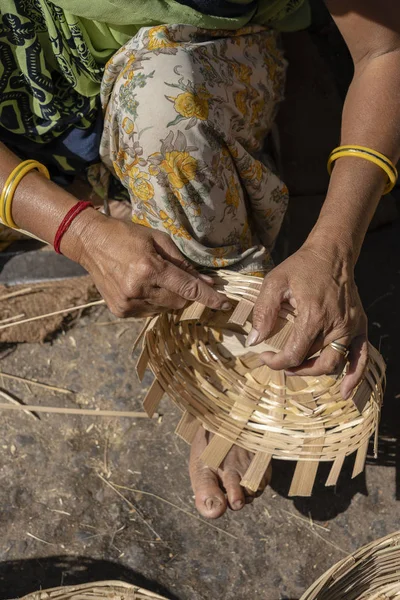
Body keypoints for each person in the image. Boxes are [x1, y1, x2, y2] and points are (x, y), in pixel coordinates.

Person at [0, 0, 399, 519]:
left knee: (166, 119)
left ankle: (224, 310)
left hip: (172, 61)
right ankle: (113, 195)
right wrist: (76, 232)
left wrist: (334, 247)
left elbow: (385, 49)